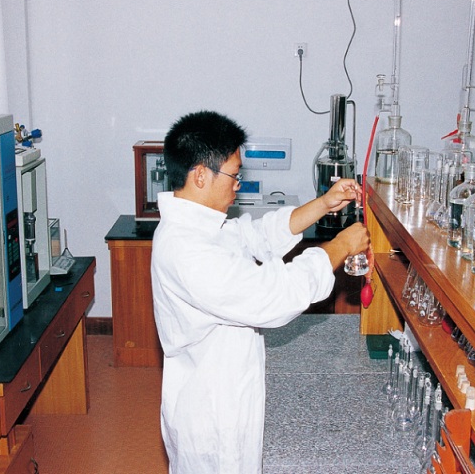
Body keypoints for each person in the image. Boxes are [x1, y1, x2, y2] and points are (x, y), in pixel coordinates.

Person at [150, 110, 370, 474]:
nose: (238, 184)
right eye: (234, 175)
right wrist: (340, 247)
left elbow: (257, 236)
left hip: (226, 386)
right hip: (211, 409)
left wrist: (323, 204)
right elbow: (272, 295)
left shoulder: (202, 226)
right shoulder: (186, 250)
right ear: (200, 175)